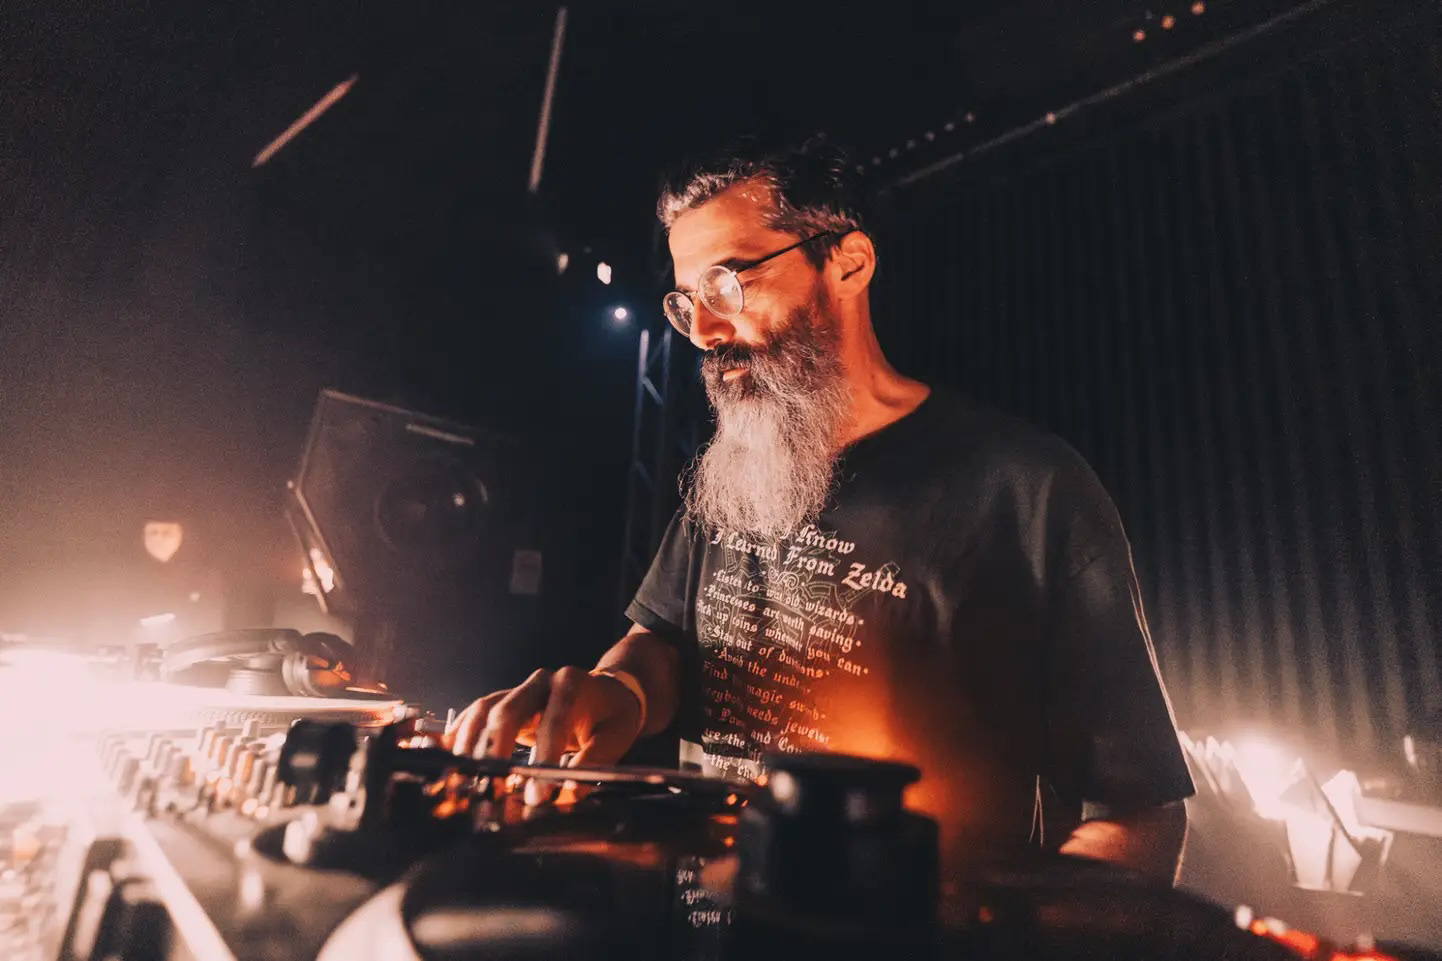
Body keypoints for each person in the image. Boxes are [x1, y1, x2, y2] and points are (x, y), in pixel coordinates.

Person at [447, 134, 1193, 883]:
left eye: (727, 283)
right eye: (687, 301)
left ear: (848, 263)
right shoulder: (732, 470)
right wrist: (620, 690)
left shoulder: (1027, 488)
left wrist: (1036, 929)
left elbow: (1141, 813)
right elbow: (662, 640)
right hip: (714, 920)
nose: (703, 331)